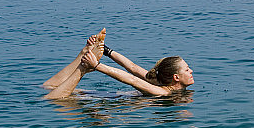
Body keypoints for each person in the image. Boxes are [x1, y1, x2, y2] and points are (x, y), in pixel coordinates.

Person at [42, 29, 194, 99]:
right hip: (100, 98)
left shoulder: (157, 81)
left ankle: (83, 56)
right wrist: (96, 65)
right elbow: (131, 77)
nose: (191, 71)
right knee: (51, 98)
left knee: (47, 87)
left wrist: (107, 51)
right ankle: (83, 64)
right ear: (176, 77)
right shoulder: (162, 92)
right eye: (187, 70)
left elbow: (132, 67)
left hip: (100, 96)